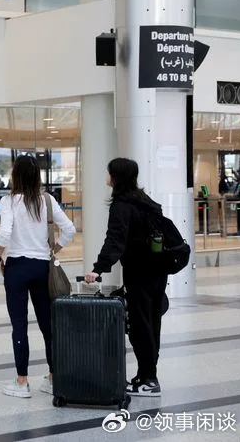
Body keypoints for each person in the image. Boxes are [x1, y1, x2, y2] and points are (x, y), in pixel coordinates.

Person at [85, 158, 169, 397]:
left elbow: (115, 240)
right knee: (151, 323)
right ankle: (146, 375)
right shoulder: (145, 201)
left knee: (140, 326)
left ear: (116, 176)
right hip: (157, 270)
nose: (106, 176)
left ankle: (149, 380)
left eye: (108, 172)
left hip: (140, 273)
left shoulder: (122, 205)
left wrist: (98, 269)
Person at [0, 155, 76, 398]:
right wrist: (55, 248)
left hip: (17, 268)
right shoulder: (47, 200)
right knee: (47, 324)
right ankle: (53, 377)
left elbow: (5, 233)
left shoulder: (8, 201)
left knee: (19, 325)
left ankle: (22, 382)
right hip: (42, 269)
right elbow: (69, 229)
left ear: (15, 175)